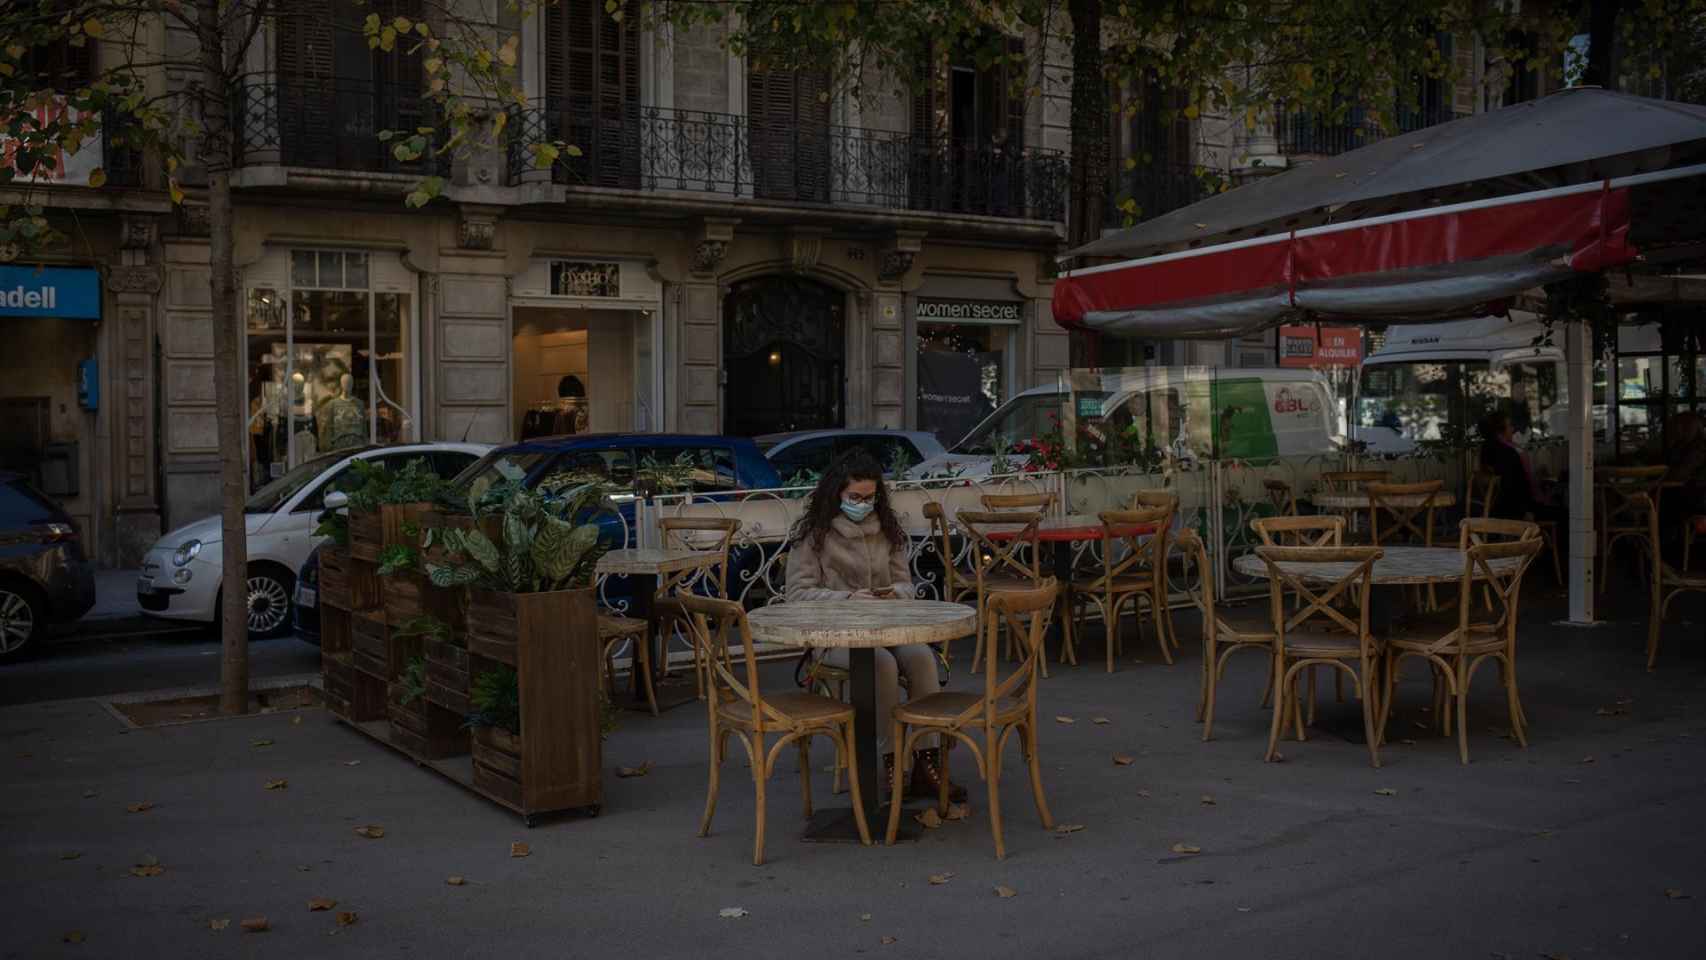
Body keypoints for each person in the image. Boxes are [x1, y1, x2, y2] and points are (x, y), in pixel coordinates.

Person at [783, 449, 964, 802]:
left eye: (870, 497)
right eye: (856, 497)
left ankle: (927, 759)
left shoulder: (888, 531)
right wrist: (846, 600)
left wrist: (891, 594)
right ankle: (890, 761)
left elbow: (907, 586)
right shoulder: (815, 536)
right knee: (880, 663)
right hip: (834, 636)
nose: (864, 504)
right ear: (837, 493)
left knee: (921, 658)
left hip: (887, 626)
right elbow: (797, 595)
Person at [1480, 410, 1561, 523]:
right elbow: (1517, 487)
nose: (1513, 429)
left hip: (1496, 509)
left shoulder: (1486, 449)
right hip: (1517, 511)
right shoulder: (1509, 453)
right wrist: (1526, 511)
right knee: (1565, 514)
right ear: (1500, 431)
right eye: (1510, 426)